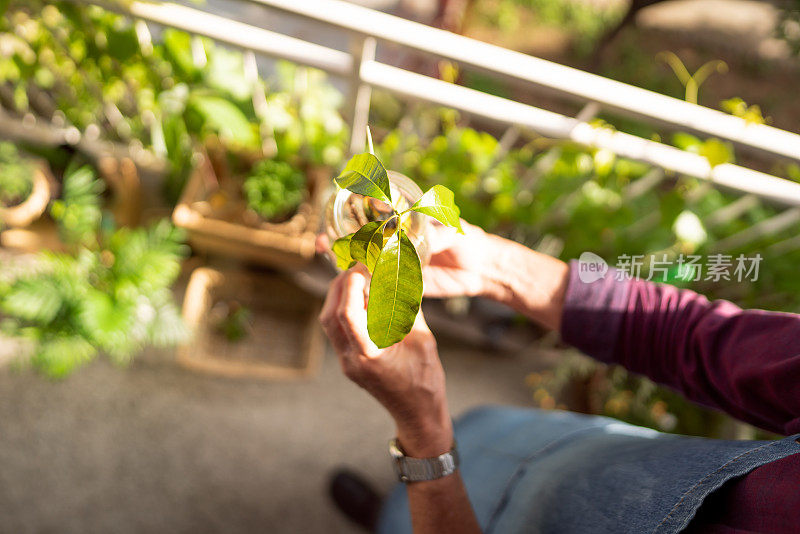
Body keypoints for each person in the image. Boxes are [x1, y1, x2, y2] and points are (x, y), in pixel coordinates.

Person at [319, 221, 800, 534]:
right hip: (578, 457)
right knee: (481, 436)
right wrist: (495, 265)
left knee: (410, 513)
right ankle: (397, 510)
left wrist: (424, 439)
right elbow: (696, 338)